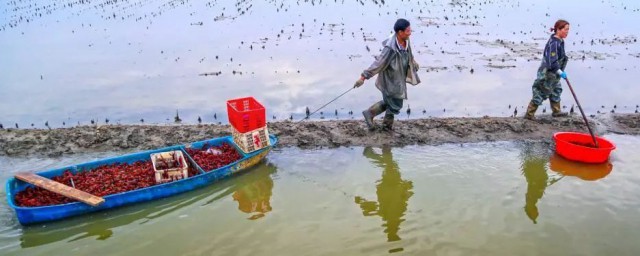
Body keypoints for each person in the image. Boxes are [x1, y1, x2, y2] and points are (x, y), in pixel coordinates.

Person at [354, 18, 421, 131]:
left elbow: (409, 53)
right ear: (400, 32)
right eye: (408, 30)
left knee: (390, 102)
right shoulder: (390, 48)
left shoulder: (405, 41)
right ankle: (386, 127)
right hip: (390, 80)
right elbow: (378, 63)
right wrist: (363, 77)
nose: (410, 33)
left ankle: (369, 114)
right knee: (395, 104)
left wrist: (412, 61)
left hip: (398, 78)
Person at [525, 19, 571, 120]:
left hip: (554, 74)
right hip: (547, 73)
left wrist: (559, 72)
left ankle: (556, 111)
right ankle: (529, 114)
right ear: (558, 30)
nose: (567, 32)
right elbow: (552, 62)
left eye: (568, 30)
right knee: (541, 91)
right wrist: (560, 72)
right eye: (566, 29)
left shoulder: (560, 41)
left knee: (556, 90)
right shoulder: (554, 43)